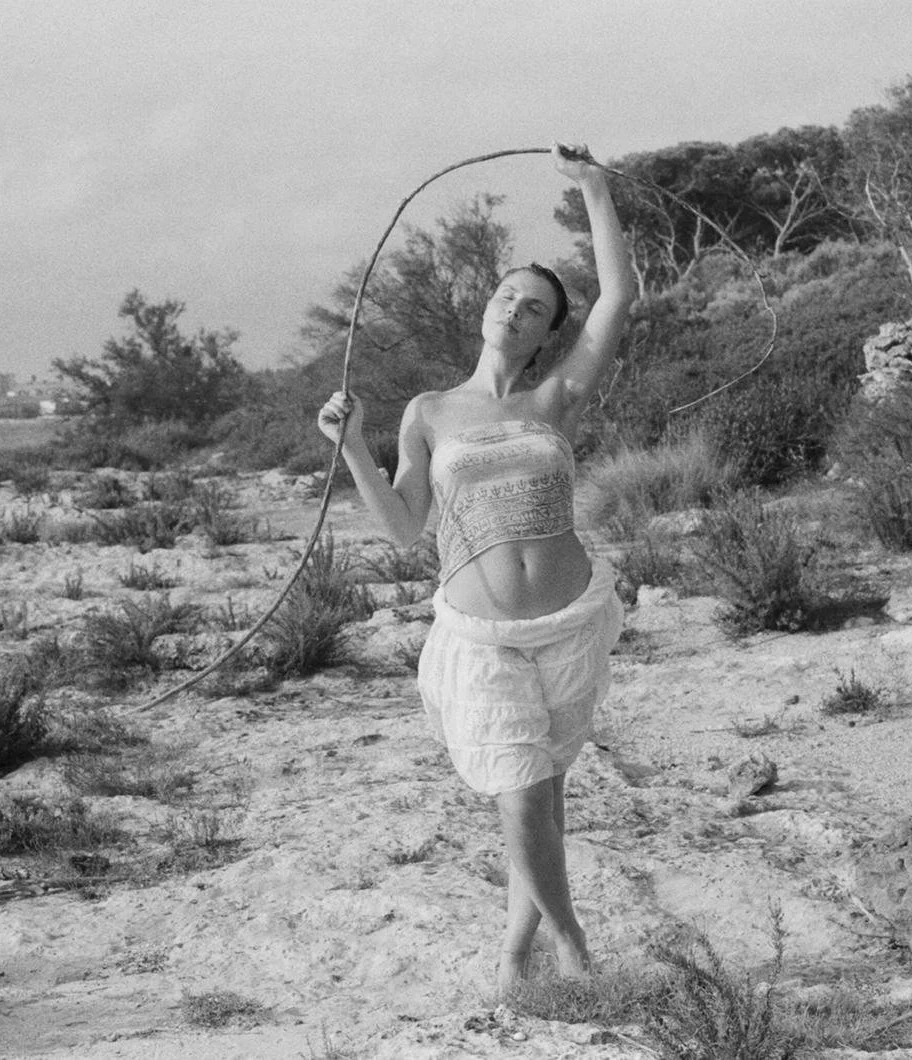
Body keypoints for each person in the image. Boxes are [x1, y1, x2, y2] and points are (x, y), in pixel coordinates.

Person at [317, 141, 636, 995]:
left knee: (543, 794)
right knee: (522, 790)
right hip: (482, 633)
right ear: (484, 309)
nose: (515, 311)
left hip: (567, 622)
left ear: (548, 332)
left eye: (535, 308)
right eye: (506, 296)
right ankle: (574, 948)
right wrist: (354, 449)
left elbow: (617, 296)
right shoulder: (429, 411)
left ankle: (512, 956)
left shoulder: (556, 397)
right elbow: (402, 528)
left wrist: (593, 189)